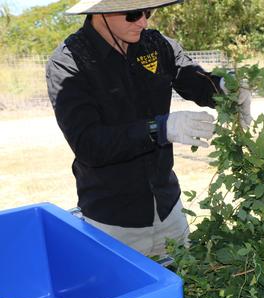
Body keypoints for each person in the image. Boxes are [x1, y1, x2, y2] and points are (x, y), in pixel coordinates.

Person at [46, 0, 251, 257]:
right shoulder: (68, 62)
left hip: (168, 208)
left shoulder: (156, 44)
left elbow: (193, 79)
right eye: (132, 14)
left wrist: (225, 88)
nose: (143, 22)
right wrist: (160, 129)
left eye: (147, 12)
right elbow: (89, 144)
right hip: (113, 222)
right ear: (100, 12)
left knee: (185, 286)